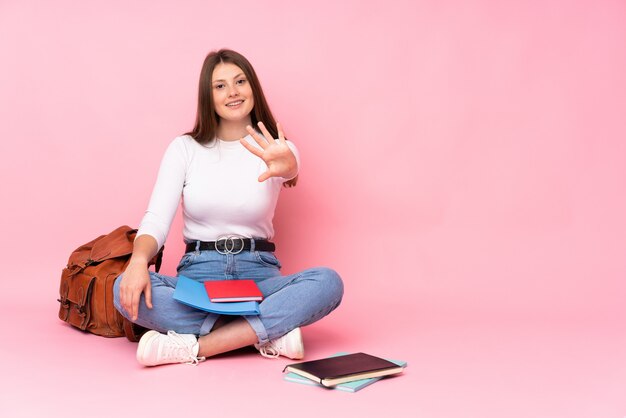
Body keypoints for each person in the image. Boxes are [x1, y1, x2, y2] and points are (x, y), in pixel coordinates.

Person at [113, 49, 344, 367]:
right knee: (121, 288)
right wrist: (138, 261)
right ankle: (264, 333)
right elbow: (156, 219)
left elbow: (289, 167)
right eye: (220, 86)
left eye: (240, 81)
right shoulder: (185, 149)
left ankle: (197, 347)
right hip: (198, 274)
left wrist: (289, 163)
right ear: (208, 97)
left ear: (253, 88)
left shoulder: (275, 147)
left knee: (328, 282)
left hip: (259, 274)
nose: (232, 92)